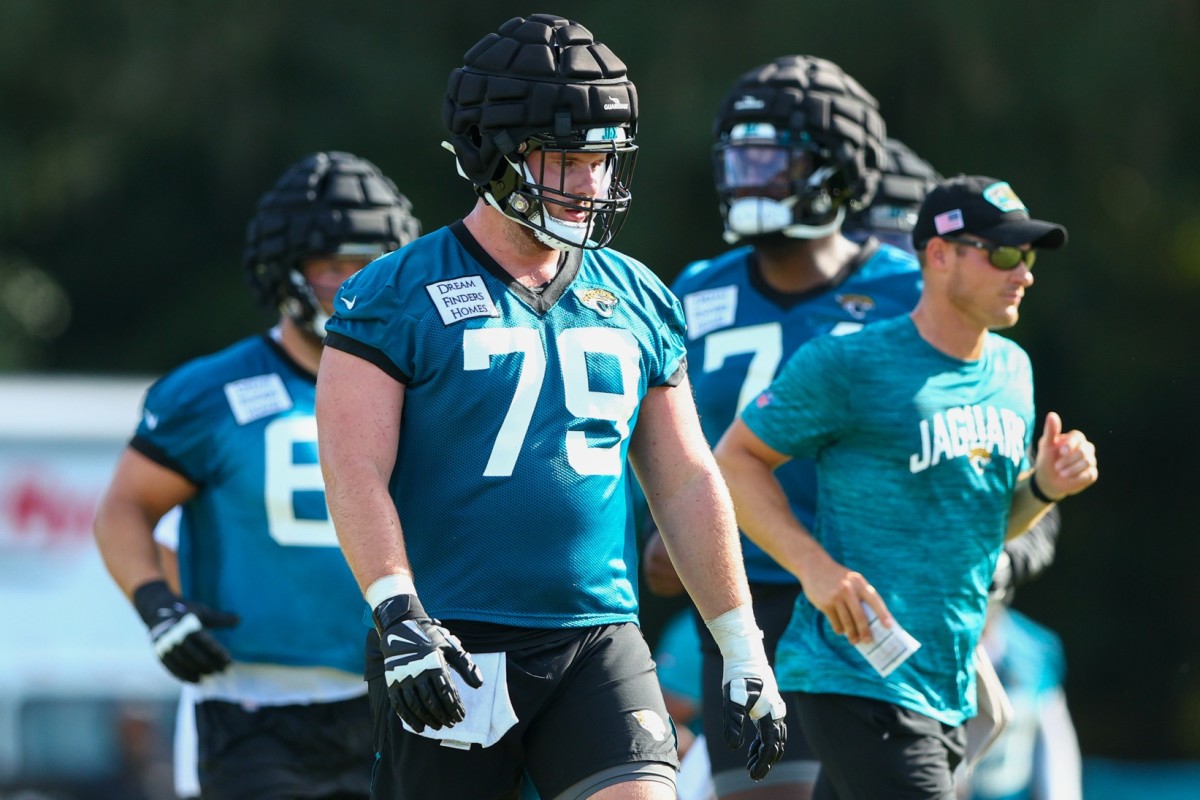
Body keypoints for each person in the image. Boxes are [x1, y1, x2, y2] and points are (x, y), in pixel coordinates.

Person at [313, 14, 786, 800]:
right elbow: (354, 467)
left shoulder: (636, 294)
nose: (591, 184)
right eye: (566, 158)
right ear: (491, 153)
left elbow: (685, 479)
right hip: (450, 640)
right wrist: (399, 613)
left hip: (597, 638)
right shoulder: (395, 293)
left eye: (601, 160)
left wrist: (742, 647)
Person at [713, 173, 1099, 798]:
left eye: (1026, 256)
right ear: (939, 254)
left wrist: (1044, 488)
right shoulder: (849, 363)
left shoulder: (1013, 370)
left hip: (946, 683)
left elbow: (984, 529)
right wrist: (815, 569)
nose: (1022, 272)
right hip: (854, 676)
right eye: (1003, 253)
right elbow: (734, 462)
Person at [92, 150, 421, 799]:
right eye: (332, 266)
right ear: (286, 270)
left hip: (397, 699)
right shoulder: (213, 393)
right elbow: (122, 510)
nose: (352, 285)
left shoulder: (425, 390)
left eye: (369, 265)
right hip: (253, 710)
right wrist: (158, 606)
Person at [640, 55, 916, 800]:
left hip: (873, 591)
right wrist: (658, 531)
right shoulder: (692, 292)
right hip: (742, 598)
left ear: (837, 169)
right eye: (738, 158)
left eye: (770, 159)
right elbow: (652, 444)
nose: (747, 179)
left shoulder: (909, 295)